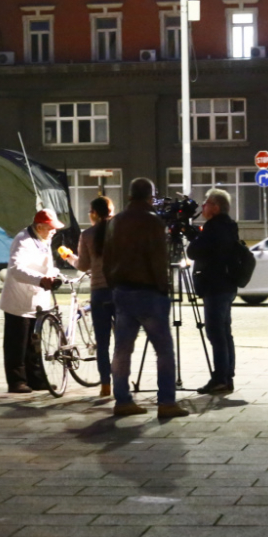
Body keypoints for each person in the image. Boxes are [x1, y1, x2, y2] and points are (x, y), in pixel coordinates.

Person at [103, 178, 189, 419]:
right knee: (164, 350)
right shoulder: (153, 222)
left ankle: (122, 400)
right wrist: (163, 289)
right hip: (149, 293)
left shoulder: (115, 222)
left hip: (122, 292)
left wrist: (114, 286)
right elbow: (157, 260)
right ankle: (166, 402)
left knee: (122, 350)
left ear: (130, 196)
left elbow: (107, 259)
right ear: (150, 197)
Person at [0, 208, 64, 394]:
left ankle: (36, 379)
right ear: (40, 226)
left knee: (34, 343)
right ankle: (17, 381)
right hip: (19, 300)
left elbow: (47, 264)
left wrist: (54, 274)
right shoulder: (23, 240)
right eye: (51, 228)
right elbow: (16, 269)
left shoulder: (44, 238)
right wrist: (39, 279)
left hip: (38, 300)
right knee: (17, 343)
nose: (54, 231)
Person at [60, 196, 115, 397]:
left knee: (102, 342)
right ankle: (122, 381)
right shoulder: (119, 231)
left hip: (99, 291)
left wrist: (69, 256)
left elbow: (83, 266)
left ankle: (105, 385)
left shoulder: (88, 234)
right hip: (119, 290)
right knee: (123, 339)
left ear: (93, 213)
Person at [187, 188, 239, 395]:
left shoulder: (213, 227)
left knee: (216, 334)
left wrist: (194, 238)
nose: (203, 207)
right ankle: (227, 377)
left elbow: (194, 252)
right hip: (227, 286)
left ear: (215, 207)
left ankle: (219, 379)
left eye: (206, 203)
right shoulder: (229, 226)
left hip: (215, 287)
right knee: (225, 333)